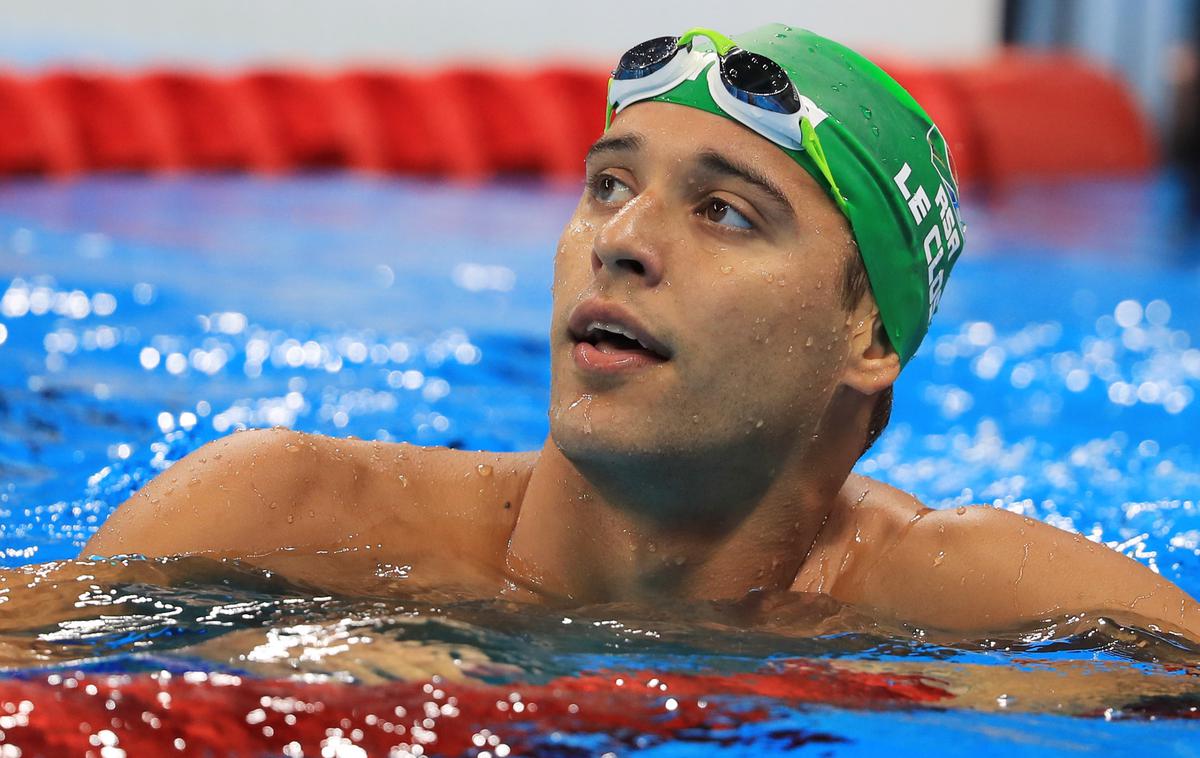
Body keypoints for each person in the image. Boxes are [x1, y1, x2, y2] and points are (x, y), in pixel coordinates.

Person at [83, 24, 1200, 640]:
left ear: (869, 331)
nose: (622, 239)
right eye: (609, 185)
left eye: (726, 212)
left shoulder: (968, 602)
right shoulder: (279, 516)